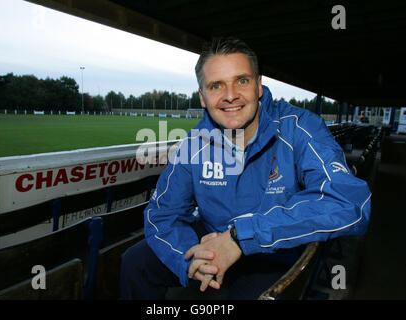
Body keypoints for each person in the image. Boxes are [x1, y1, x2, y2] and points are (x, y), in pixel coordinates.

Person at [120, 37, 372, 299]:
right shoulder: (194, 144)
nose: (230, 96)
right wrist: (193, 260)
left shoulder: (299, 127)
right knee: (135, 263)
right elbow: (161, 214)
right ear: (203, 97)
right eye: (216, 85)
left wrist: (240, 237)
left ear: (259, 86)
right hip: (211, 241)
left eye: (241, 80)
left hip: (274, 252)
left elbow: (349, 203)